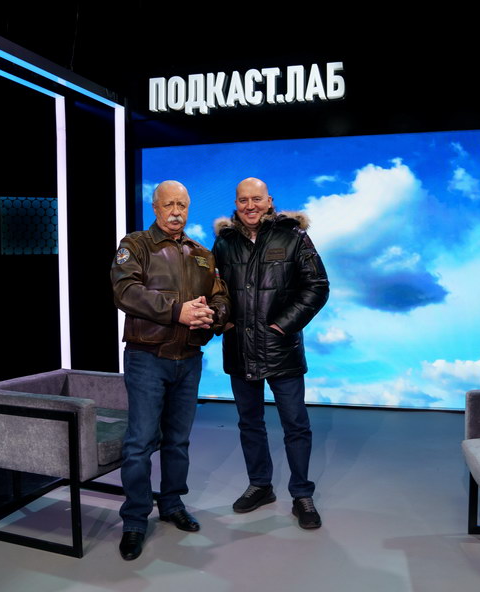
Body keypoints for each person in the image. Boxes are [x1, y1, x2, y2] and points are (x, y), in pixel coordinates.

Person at [111, 180, 230, 560]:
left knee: (178, 441)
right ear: (155, 207)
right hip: (147, 358)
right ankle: (134, 520)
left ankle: (172, 503)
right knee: (140, 443)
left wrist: (214, 315)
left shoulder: (201, 253)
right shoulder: (135, 245)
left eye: (182, 205)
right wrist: (177, 310)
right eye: (169, 205)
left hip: (189, 359)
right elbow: (125, 292)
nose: (176, 212)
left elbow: (220, 295)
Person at [212, 177, 329, 529]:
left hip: (282, 350)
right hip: (239, 348)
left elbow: (317, 286)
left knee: (296, 424)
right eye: (243, 200)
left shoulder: (293, 236)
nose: (250, 206)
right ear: (236, 203)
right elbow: (214, 289)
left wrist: (282, 326)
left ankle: (302, 494)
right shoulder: (224, 242)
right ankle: (260, 485)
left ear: (269, 200)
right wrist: (223, 320)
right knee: (250, 423)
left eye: (256, 199)